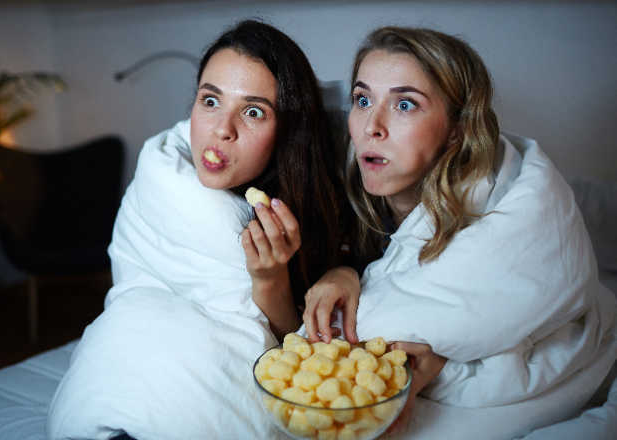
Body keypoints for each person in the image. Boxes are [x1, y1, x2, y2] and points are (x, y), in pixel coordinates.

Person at [301, 26, 616, 436]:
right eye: (363, 100)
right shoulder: (343, 187)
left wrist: (445, 366)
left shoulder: (498, 219)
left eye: (405, 105)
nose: (370, 127)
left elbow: (505, 320)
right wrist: (341, 271)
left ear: (456, 128)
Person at [47, 20, 348, 439]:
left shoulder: (296, 209)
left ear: (287, 130)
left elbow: (286, 347)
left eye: (253, 111)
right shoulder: (161, 174)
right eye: (210, 101)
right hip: (118, 382)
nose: (222, 129)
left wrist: (269, 277)